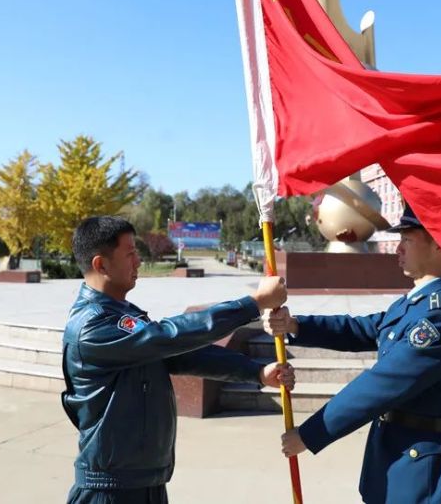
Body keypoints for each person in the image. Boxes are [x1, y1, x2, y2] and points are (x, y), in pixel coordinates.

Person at [62, 216, 294, 504]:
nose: (138, 261)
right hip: (110, 491)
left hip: (146, 481)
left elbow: (182, 354)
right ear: (101, 264)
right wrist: (254, 303)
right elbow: (169, 337)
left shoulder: (124, 316)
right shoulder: (92, 326)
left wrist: (256, 373)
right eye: (130, 253)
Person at [264, 203, 441, 504]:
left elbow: (380, 385)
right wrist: (295, 326)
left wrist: (310, 434)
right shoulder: (415, 303)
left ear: (439, 245)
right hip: (397, 458)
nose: (398, 250)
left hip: (421, 473)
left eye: (407, 240)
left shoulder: (439, 317)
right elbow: (365, 329)